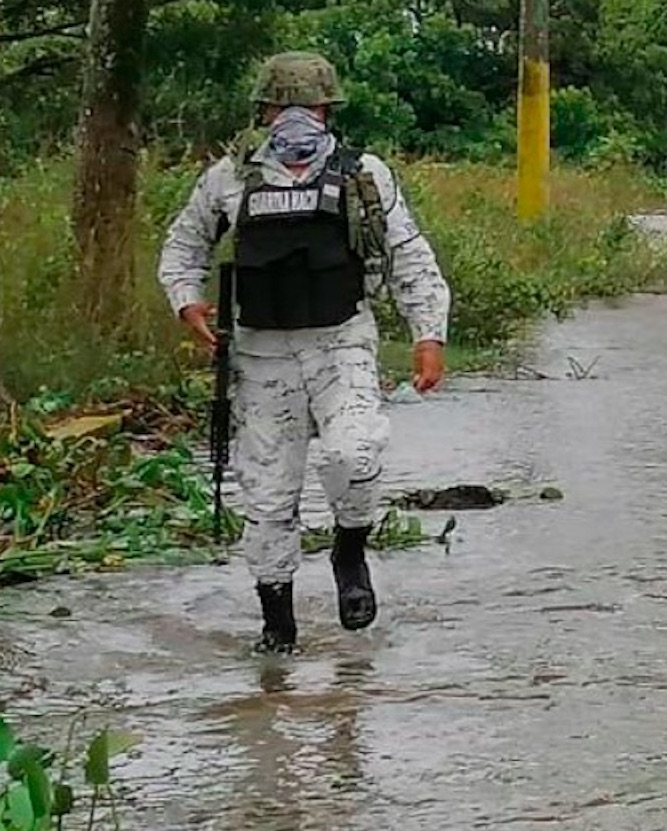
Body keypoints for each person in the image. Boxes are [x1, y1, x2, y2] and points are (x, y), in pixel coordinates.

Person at [157, 51, 452, 655]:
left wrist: (429, 333)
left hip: (341, 342)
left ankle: (350, 550)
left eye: (307, 107)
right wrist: (187, 302)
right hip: (261, 354)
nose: (293, 118)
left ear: (326, 111)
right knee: (267, 497)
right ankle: (278, 630)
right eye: (281, 106)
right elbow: (184, 245)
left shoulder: (363, 174)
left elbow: (408, 254)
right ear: (263, 112)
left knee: (356, 451)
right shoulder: (229, 177)